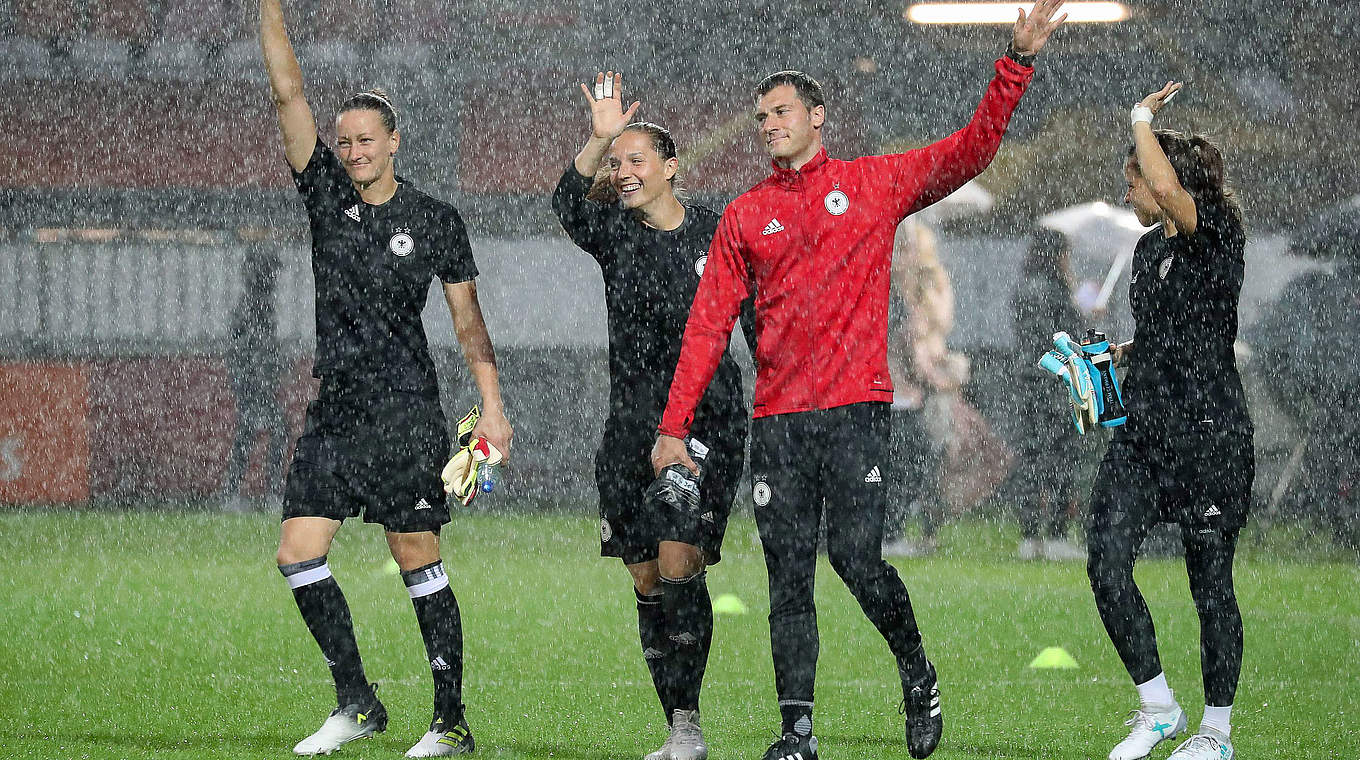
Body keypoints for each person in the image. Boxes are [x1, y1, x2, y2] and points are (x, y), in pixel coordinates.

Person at [651, 4, 1067, 758]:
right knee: (786, 581)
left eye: (781, 112)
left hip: (854, 415)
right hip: (777, 421)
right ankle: (797, 733)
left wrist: (1016, 63)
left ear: (817, 117)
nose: (768, 124)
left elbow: (972, 150)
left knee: (856, 561)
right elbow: (707, 328)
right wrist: (672, 428)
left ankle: (917, 671)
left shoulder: (873, 185)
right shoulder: (745, 216)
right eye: (760, 116)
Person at [259, 1, 513, 756]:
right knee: (297, 553)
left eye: (366, 138)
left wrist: (491, 407)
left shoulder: (434, 219)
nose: (353, 149)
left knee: (417, 558)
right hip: (333, 413)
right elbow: (287, 92)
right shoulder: (325, 198)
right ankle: (358, 701)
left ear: (394, 142)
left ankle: (451, 721)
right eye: (345, 141)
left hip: (405, 411)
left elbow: (469, 324)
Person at [552, 72, 753, 760]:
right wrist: (598, 136)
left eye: (637, 159)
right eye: (617, 162)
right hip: (631, 425)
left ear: (672, 167)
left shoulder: (720, 233)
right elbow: (564, 199)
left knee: (676, 556)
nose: (624, 171)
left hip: (707, 419)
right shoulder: (614, 232)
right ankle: (677, 727)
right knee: (644, 577)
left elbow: (756, 322)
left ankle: (690, 726)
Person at [1088, 82, 1253, 760]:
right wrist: (1120, 355)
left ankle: (1217, 730)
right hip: (1146, 432)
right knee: (1104, 557)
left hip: (1209, 435)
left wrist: (1140, 120)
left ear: (1168, 185)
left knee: (1209, 583)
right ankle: (1158, 706)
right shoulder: (1150, 249)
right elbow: (1169, 329)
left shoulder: (1216, 227)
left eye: (1136, 178)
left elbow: (1162, 179)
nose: (1129, 189)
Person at [1009, 227, 1086, 560]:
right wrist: (1084, 318)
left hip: (1026, 383)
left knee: (1030, 456)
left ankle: (1029, 536)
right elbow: (1067, 341)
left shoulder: (1022, 290)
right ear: (1058, 257)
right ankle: (1055, 535)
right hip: (1055, 384)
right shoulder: (1057, 292)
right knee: (1060, 456)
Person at [882, 220, 953, 557]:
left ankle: (903, 528)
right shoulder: (890, 292)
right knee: (904, 464)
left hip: (907, 395)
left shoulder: (907, 293)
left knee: (915, 461)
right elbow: (899, 344)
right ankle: (893, 531)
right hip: (896, 396)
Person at [220, 241, 288, 512]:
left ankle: (235, 494)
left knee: (252, 433)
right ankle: (263, 494)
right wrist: (264, 374)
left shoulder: (254, 303)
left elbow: (247, 346)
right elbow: (252, 346)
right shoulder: (256, 304)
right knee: (272, 431)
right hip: (253, 380)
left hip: (251, 379)